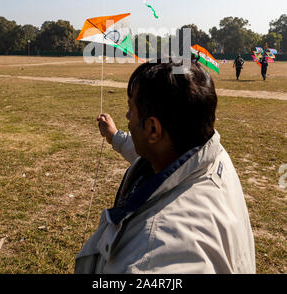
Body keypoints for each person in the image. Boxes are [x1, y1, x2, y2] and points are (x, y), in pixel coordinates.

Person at [75, 60, 255, 274]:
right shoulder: (208, 155)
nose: (127, 117)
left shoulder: (153, 257)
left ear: (152, 129)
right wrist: (115, 137)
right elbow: (154, 153)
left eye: (131, 109)